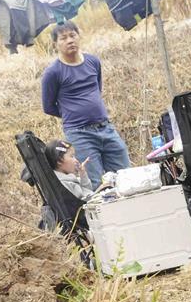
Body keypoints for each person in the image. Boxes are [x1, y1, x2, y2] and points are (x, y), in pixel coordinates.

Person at [41, 21, 131, 189]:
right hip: (80, 134)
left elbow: (97, 89)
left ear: (79, 36)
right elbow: (48, 106)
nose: (69, 41)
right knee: (95, 183)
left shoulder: (92, 61)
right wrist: (73, 113)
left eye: (72, 35)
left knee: (124, 176)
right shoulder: (53, 72)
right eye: (63, 38)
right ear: (55, 44)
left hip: (106, 128)